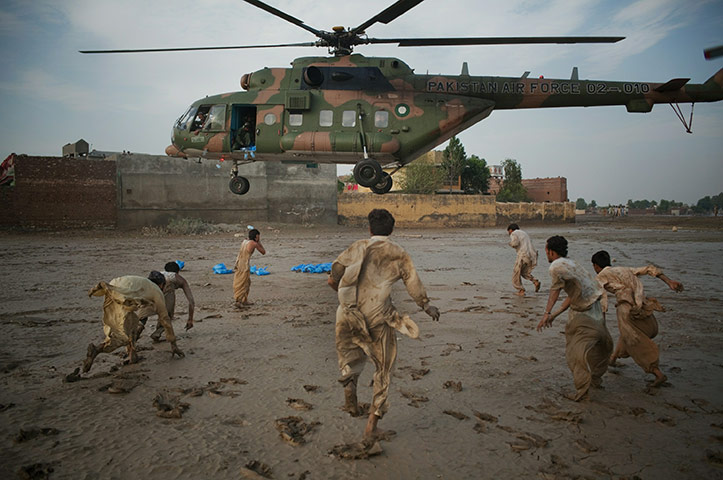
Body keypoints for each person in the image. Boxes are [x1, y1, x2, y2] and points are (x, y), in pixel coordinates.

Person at [328, 209, 440, 440]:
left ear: (369, 229)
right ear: (391, 229)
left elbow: (333, 277)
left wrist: (345, 295)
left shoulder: (356, 247)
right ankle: (371, 426)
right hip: (378, 316)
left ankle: (351, 400)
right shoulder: (398, 253)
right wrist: (427, 307)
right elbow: (414, 285)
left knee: (349, 359)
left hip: (347, 313)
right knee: (383, 368)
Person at [591, 250, 683, 387]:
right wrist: (669, 282)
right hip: (641, 305)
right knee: (628, 334)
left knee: (633, 339)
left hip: (625, 308)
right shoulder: (622, 269)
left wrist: (602, 324)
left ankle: (658, 374)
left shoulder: (600, 276)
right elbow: (649, 269)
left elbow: (603, 301)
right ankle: (613, 359)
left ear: (595, 266)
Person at [536, 236, 612, 401]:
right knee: (600, 345)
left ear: (550, 251)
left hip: (583, 313)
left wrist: (547, 313)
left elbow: (555, 292)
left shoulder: (555, 267)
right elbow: (574, 294)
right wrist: (554, 315)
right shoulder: (572, 263)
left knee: (575, 352)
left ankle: (582, 391)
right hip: (596, 308)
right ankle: (596, 380)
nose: (545, 254)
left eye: (546, 251)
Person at [84, 272, 184, 373]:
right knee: (122, 334)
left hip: (113, 285)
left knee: (125, 324)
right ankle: (97, 349)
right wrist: (173, 344)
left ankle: (132, 355)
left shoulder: (144, 284)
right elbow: (165, 318)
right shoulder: (156, 290)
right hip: (122, 293)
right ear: (161, 284)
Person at [143, 261, 195, 342]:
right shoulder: (178, 278)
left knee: (143, 314)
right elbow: (191, 302)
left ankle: (137, 331)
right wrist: (190, 319)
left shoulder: (158, 275)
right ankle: (158, 332)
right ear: (178, 271)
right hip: (167, 289)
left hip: (151, 289)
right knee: (167, 315)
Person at [233, 228, 266, 307]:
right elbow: (263, 252)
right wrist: (259, 242)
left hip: (238, 262)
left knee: (245, 282)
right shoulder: (253, 243)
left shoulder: (245, 241)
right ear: (256, 236)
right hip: (244, 265)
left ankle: (244, 300)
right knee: (242, 283)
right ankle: (239, 301)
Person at [506, 223, 540, 296]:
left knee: (516, 273)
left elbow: (515, 243)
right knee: (524, 272)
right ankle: (535, 281)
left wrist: (510, 244)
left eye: (508, 231)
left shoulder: (514, 233)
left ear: (511, 230)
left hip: (523, 254)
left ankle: (521, 290)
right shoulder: (524, 233)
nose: (508, 233)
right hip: (532, 254)